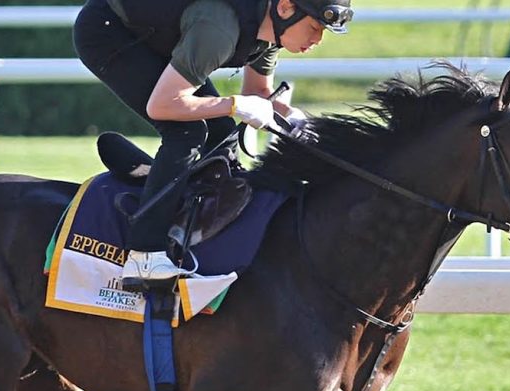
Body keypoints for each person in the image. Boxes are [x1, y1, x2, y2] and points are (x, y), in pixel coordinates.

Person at [73, 0, 353, 289]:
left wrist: (292, 118)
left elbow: (258, 92)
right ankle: (144, 255)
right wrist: (235, 104)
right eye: (315, 26)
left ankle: (187, 211)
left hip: (150, 33)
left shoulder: (269, 32)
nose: (318, 39)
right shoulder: (219, 29)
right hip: (108, 33)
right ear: (284, 7)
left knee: (222, 131)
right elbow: (163, 105)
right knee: (188, 133)